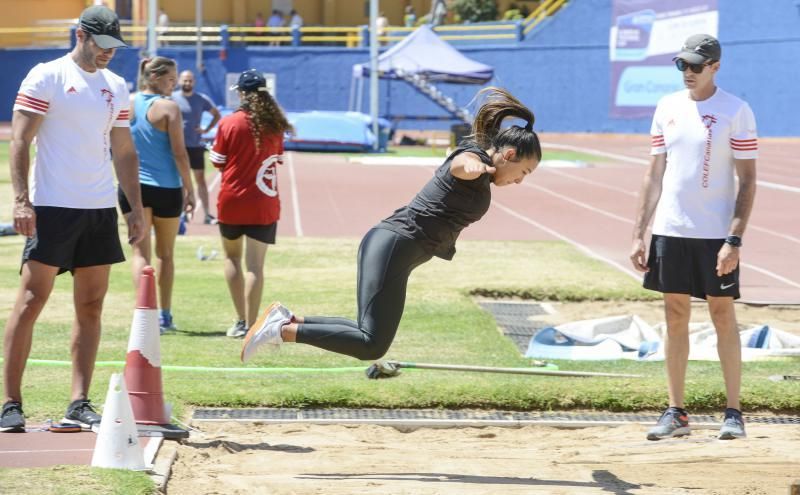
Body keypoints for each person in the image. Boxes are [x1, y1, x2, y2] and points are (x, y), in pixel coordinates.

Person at [239, 87, 541, 363]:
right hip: (392, 246)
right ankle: (281, 331)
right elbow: (459, 166)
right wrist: (473, 166)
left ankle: (288, 320)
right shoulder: (472, 160)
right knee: (371, 345)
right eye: (523, 172)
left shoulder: (485, 174)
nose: (520, 180)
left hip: (393, 250)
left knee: (366, 330)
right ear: (510, 154)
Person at [1, 5, 145, 433]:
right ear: (80, 35)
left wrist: (133, 208)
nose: (108, 53)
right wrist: (22, 201)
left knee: (91, 306)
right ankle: (10, 403)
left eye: (114, 47)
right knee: (30, 303)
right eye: (102, 44)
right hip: (52, 206)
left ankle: (78, 402)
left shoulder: (117, 86)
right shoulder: (46, 75)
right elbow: (21, 140)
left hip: (99, 208)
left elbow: (123, 150)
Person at [630, 34, 757, 441]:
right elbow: (654, 175)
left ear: (715, 66)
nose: (687, 72)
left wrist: (733, 239)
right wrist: (639, 234)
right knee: (674, 316)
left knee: (722, 315)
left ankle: (734, 412)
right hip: (670, 229)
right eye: (681, 64)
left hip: (715, 234)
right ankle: (676, 412)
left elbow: (748, 181)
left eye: (695, 66)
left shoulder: (736, 110)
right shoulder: (666, 107)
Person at [209, 70, 292, 338]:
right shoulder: (276, 125)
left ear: (241, 93)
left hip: (232, 200)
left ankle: (240, 321)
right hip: (263, 202)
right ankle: (253, 324)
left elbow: (217, 161)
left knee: (232, 258)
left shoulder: (228, 123)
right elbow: (277, 160)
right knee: (255, 266)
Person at [120, 57, 195, 334]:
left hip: (131, 188)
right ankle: (163, 315)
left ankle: (144, 316)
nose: (174, 83)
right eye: (170, 79)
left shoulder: (125, 102)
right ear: (153, 77)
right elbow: (179, 153)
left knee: (140, 252)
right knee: (165, 254)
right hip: (165, 187)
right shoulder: (169, 108)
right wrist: (190, 188)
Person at [172, 69, 221, 224]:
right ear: (179, 81)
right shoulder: (171, 98)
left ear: (194, 82)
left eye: (190, 80)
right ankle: (180, 215)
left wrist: (206, 129)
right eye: (184, 80)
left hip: (195, 146)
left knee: (200, 180)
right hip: (177, 146)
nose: (187, 83)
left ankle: (207, 214)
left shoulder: (201, 99)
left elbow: (217, 114)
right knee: (179, 181)